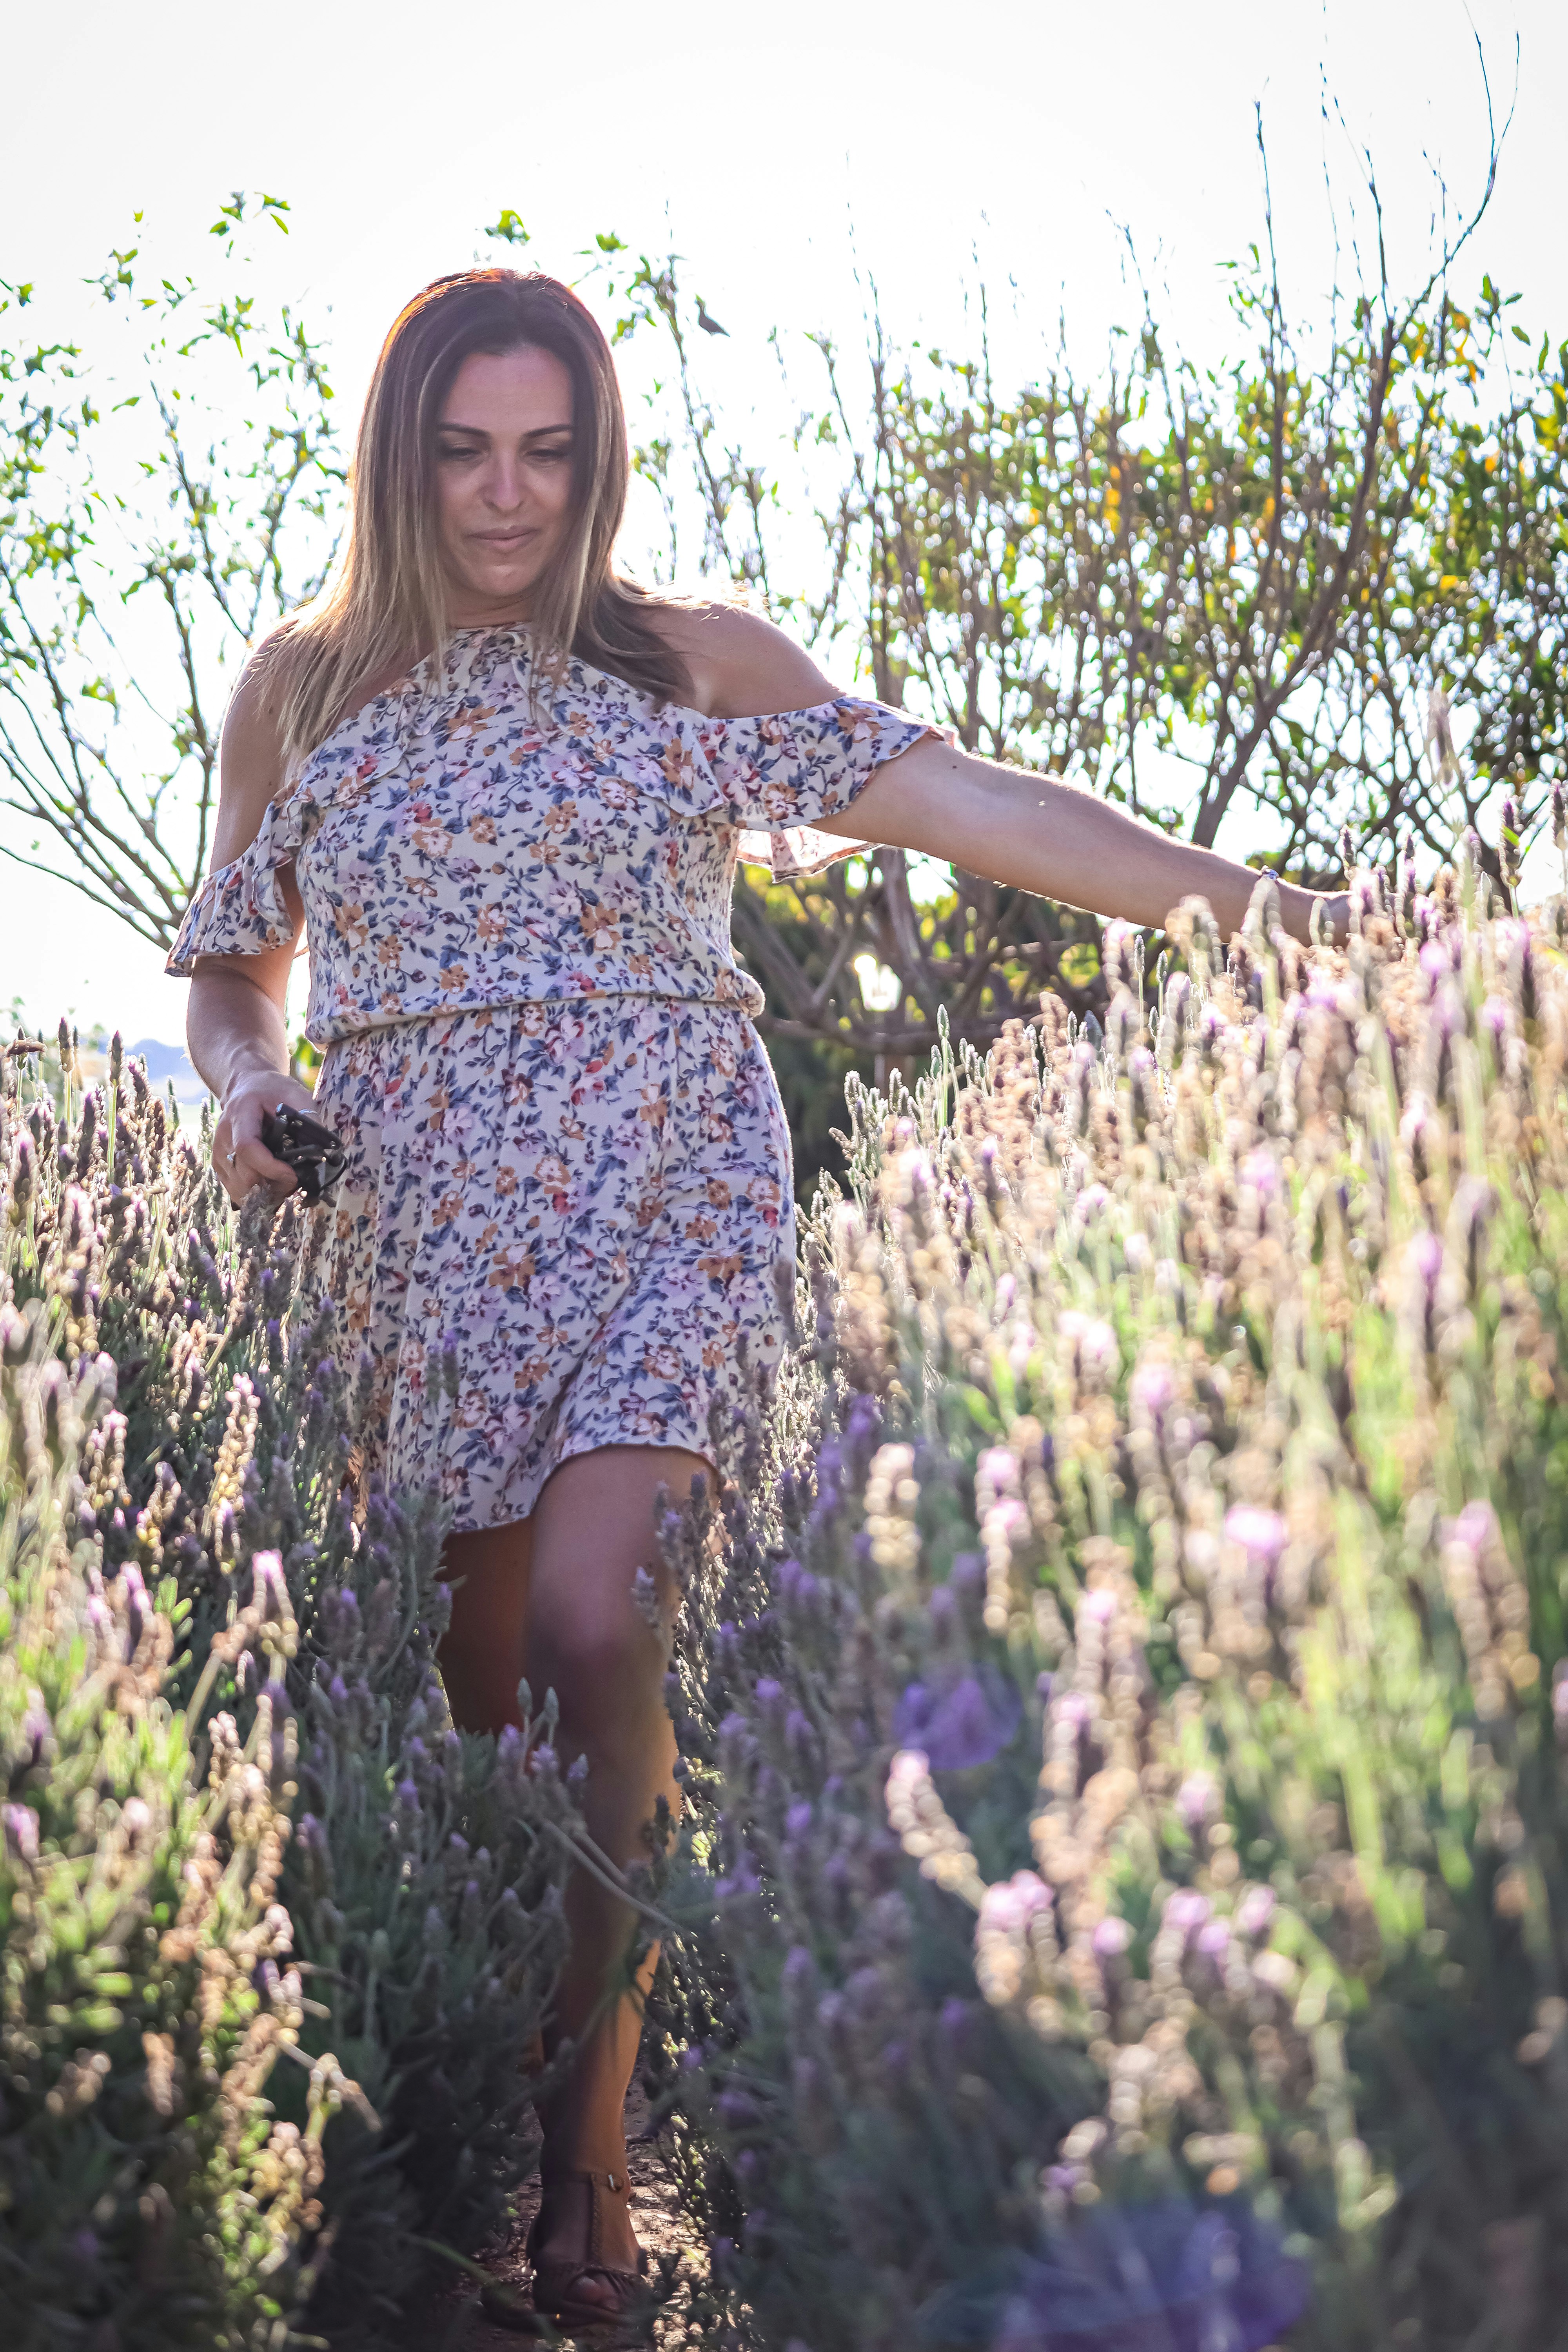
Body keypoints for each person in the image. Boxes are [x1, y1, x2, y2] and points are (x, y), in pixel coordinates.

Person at [168, 267, 1347, 2334]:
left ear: (598, 456)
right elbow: (226, 957)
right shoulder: (303, 686)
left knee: (599, 1617)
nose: (507, 498)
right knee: (479, 1723)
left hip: (669, 1198)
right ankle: (501, 2142)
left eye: (548, 451)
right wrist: (254, 1087)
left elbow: (975, 805)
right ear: (401, 455)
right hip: (418, 1232)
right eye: (464, 452)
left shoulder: (696, 664)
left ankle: (598, 2149)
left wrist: (1288, 919)